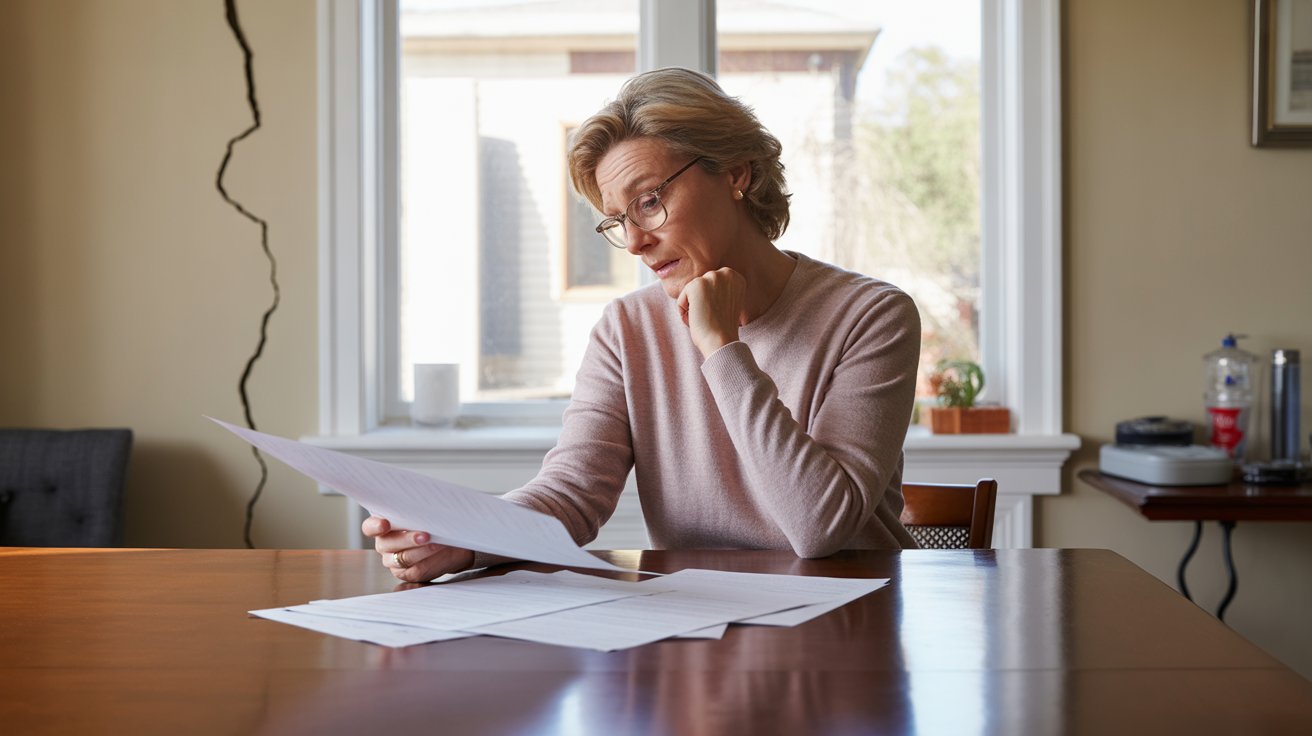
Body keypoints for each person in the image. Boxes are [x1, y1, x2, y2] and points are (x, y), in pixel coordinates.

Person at [367, 67, 922, 582]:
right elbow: (573, 492)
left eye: (650, 201)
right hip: (700, 620)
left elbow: (820, 526)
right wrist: (463, 538)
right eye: (617, 220)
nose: (634, 242)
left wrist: (720, 347)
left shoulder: (872, 316)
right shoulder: (626, 328)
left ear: (736, 173)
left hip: (849, 619)